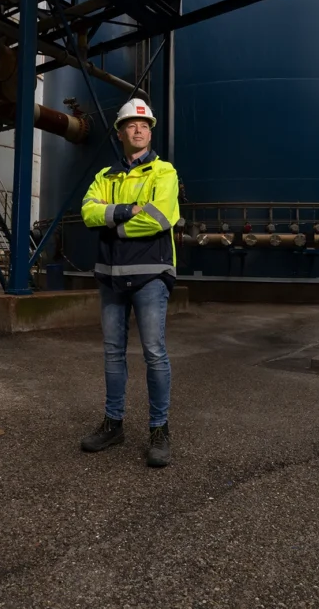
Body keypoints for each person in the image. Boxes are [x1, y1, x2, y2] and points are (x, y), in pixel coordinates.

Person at [79, 98, 180, 467]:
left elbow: (159, 217)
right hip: (111, 275)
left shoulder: (164, 172)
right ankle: (113, 424)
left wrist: (113, 225)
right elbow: (87, 212)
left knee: (154, 352)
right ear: (120, 133)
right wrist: (125, 210)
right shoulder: (105, 176)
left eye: (144, 126)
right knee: (112, 353)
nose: (138, 131)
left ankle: (159, 430)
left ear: (150, 133)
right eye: (131, 126)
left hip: (151, 274)